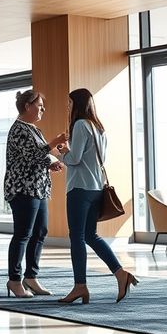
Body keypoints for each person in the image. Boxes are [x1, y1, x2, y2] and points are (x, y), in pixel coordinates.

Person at [56, 88, 138, 304]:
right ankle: (120, 274)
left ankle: (80, 286)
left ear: (78, 104)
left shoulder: (81, 125)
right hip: (96, 188)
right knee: (91, 236)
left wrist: (62, 151)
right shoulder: (99, 128)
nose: (68, 107)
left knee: (77, 237)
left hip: (79, 188)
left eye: (69, 102)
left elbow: (74, 159)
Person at [4, 89, 67, 298]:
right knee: (23, 234)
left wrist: (51, 162)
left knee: (40, 231)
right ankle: (14, 280)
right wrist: (52, 144)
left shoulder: (34, 129)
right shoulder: (19, 129)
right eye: (39, 106)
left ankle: (30, 277)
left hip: (37, 188)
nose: (43, 110)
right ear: (28, 106)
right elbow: (32, 155)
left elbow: (39, 157)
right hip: (22, 189)